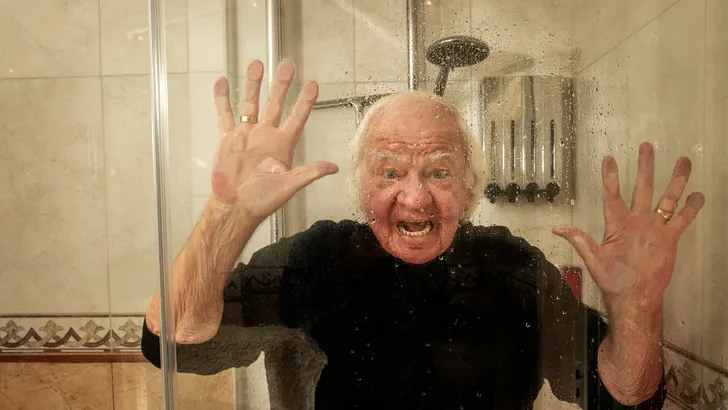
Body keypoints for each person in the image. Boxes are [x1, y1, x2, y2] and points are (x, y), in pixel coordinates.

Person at [141, 61, 704, 409]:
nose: (414, 198)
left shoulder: (513, 267)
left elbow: (624, 398)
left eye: (438, 171)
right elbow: (173, 346)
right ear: (360, 185)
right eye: (390, 172)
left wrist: (637, 305)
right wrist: (226, 217)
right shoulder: (316, 258)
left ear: (471, 185)